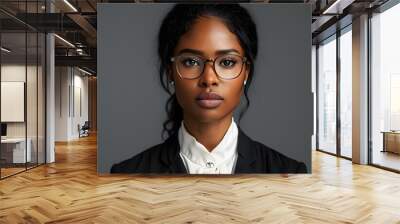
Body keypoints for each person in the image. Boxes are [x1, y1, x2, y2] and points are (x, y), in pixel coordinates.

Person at [111, 3, 307, 174]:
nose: (209, 79)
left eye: (228, 62)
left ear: (246, 71)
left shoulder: (289, 171)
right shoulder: (126, 173)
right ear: (170, 71)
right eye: (190, 61)